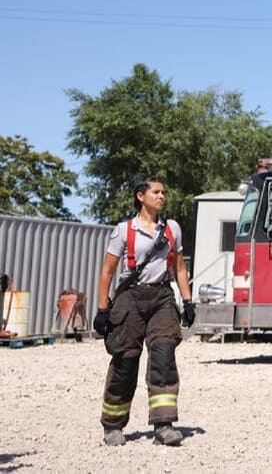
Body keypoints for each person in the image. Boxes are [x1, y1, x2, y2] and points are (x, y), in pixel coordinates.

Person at [93, 179, 196, 446]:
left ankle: (163, 424)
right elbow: (107, 270)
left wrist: (187, 301)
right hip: (131, 298)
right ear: (141, 196)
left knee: (163, 356)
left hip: (162, 296)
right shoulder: (123, 230)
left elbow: (179, 267)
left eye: (164, 192)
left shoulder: (171, 228)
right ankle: (113, 425)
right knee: (125, 360)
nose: (162, 196)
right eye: (156, 192)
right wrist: (103, 309)